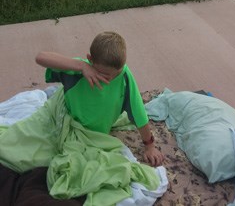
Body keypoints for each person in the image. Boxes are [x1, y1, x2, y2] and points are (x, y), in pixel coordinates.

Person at [35, 31, 164, 167]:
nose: (112, 78)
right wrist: (81, 65)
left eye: (117, 72)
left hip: (96, 133)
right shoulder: (79, 70)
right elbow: (40, 57)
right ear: (90, 59)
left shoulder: (125, 76)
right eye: (105, 74)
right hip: (69, 121)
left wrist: (150, 146)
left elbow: (138, 113)